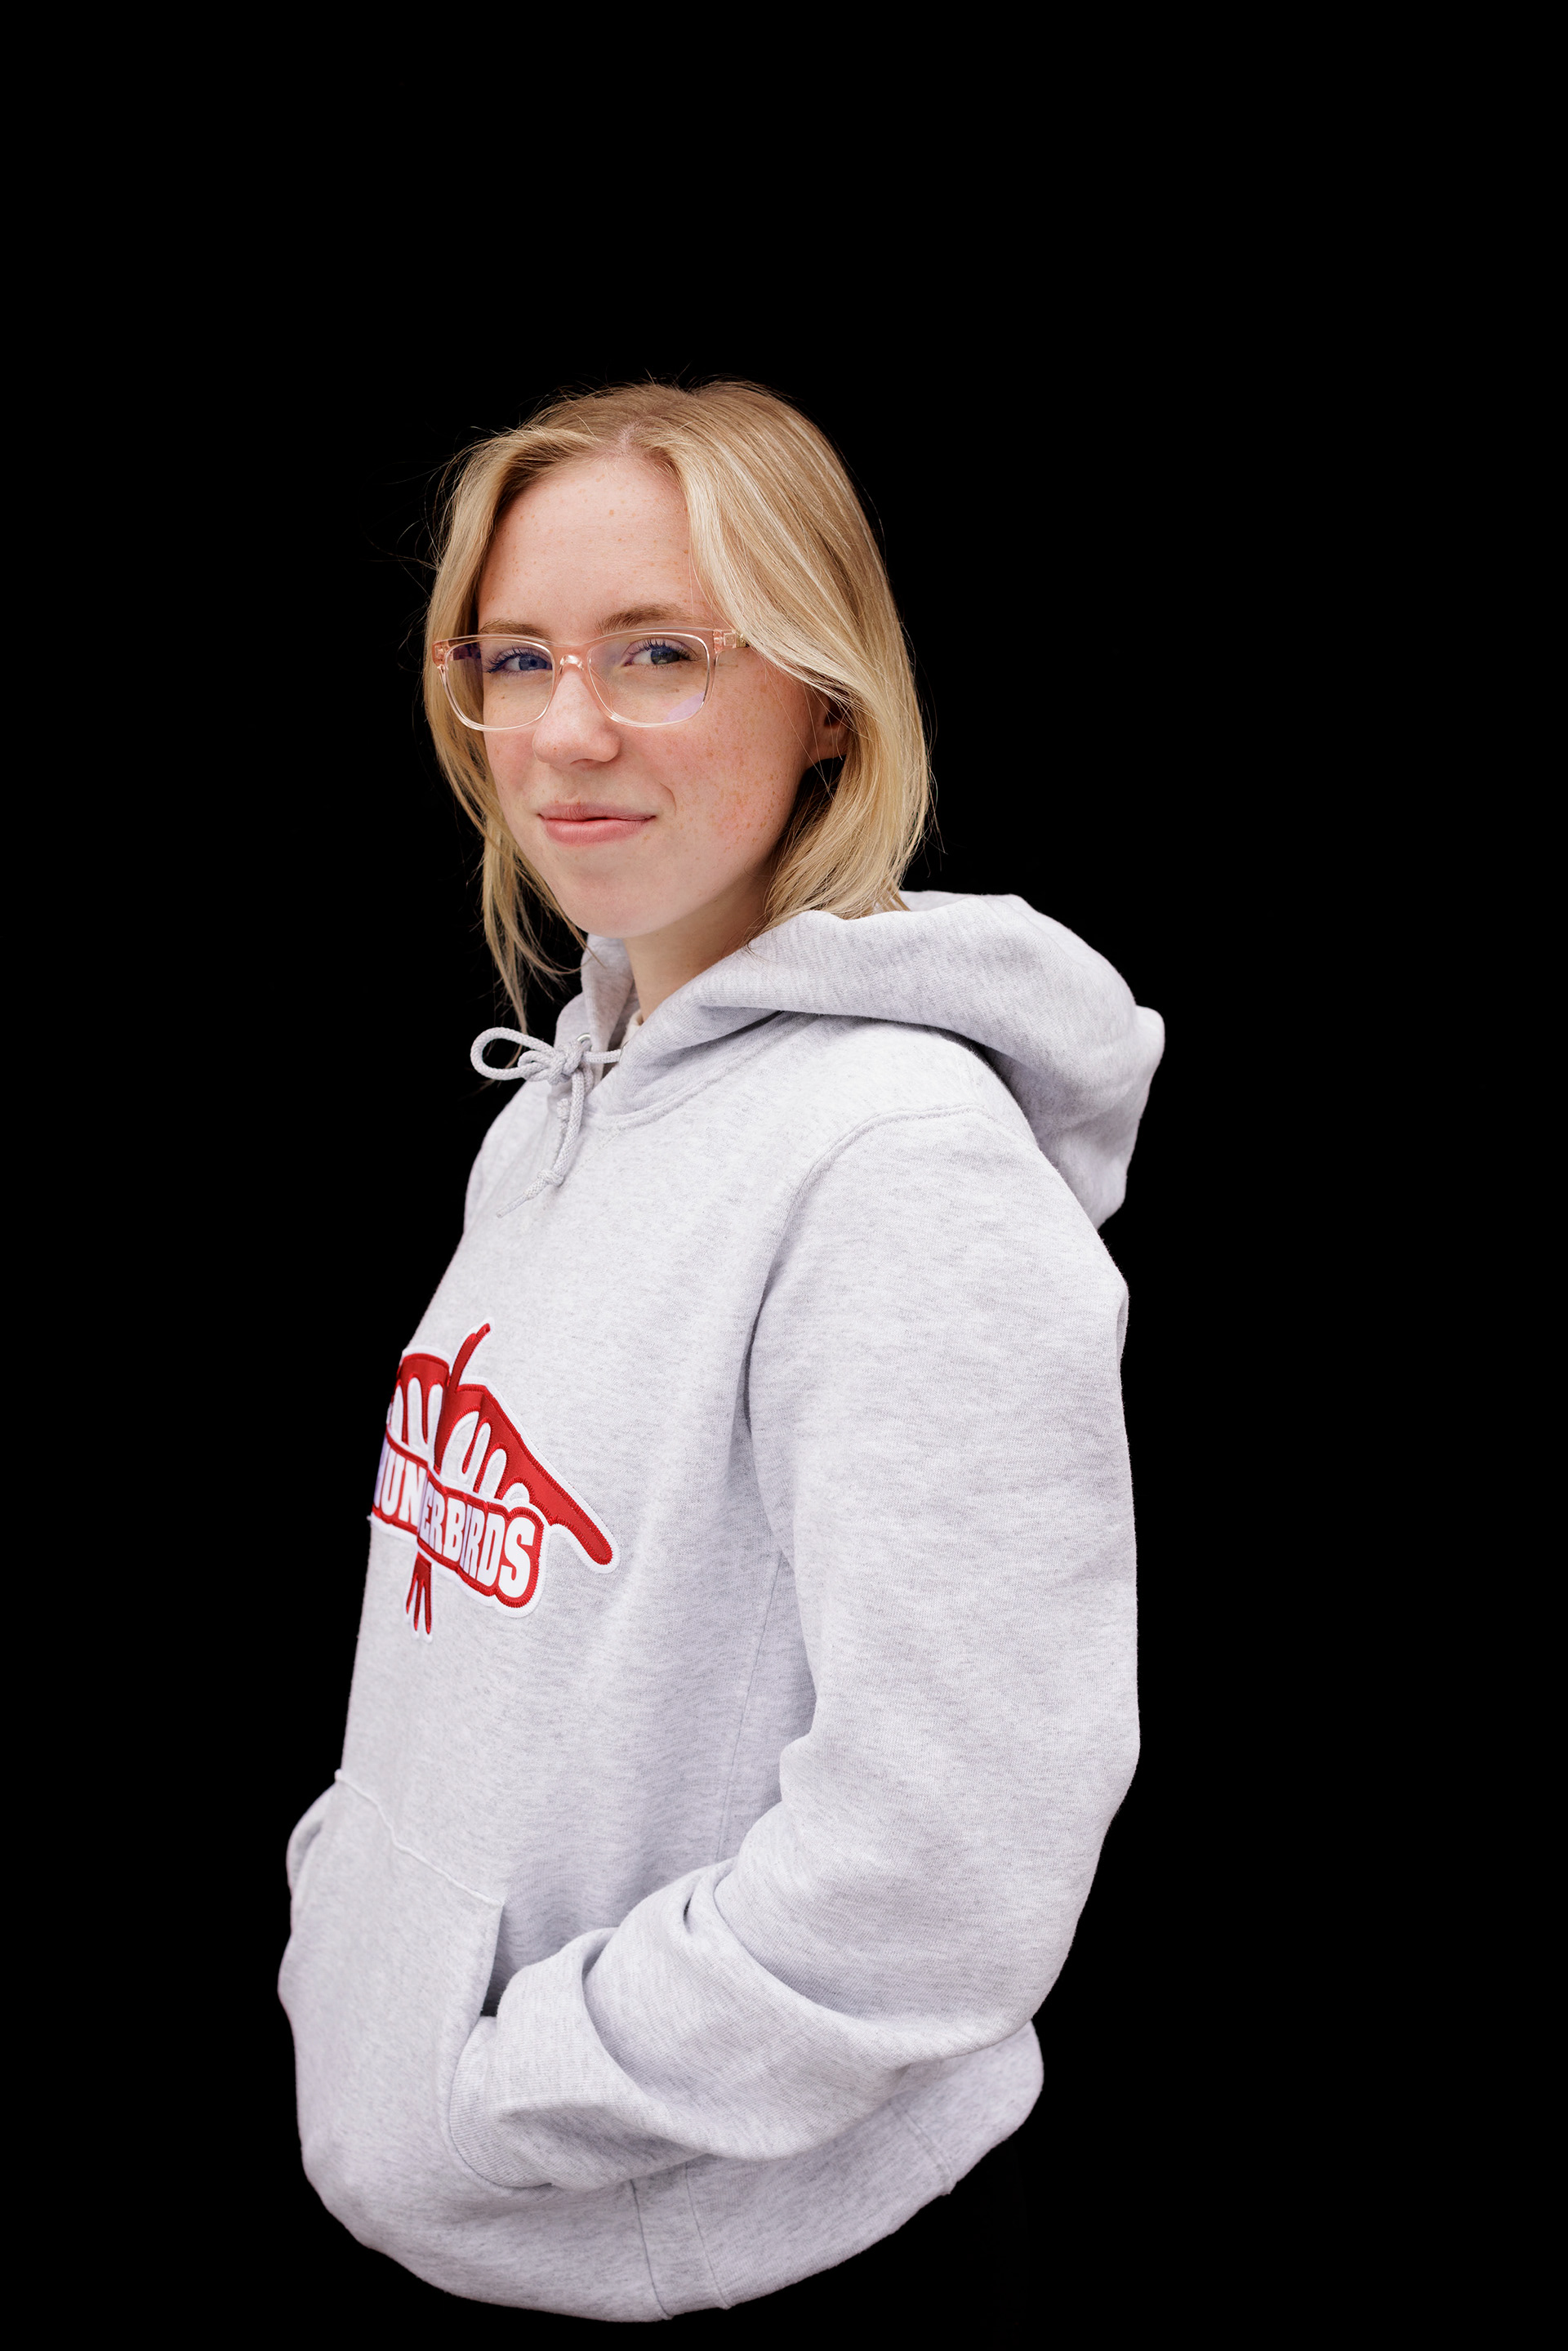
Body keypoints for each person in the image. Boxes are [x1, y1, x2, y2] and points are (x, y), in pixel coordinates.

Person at [279, 381, 1165, 2320]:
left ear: (826, 698)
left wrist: (486, 2101)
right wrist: (362, 1953)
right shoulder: (561, 1112)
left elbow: (940, 1874)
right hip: (496, 2235)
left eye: (659, 653)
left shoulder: (900, 1171)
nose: (568, 731)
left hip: (772, 2273)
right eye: (518, 657)